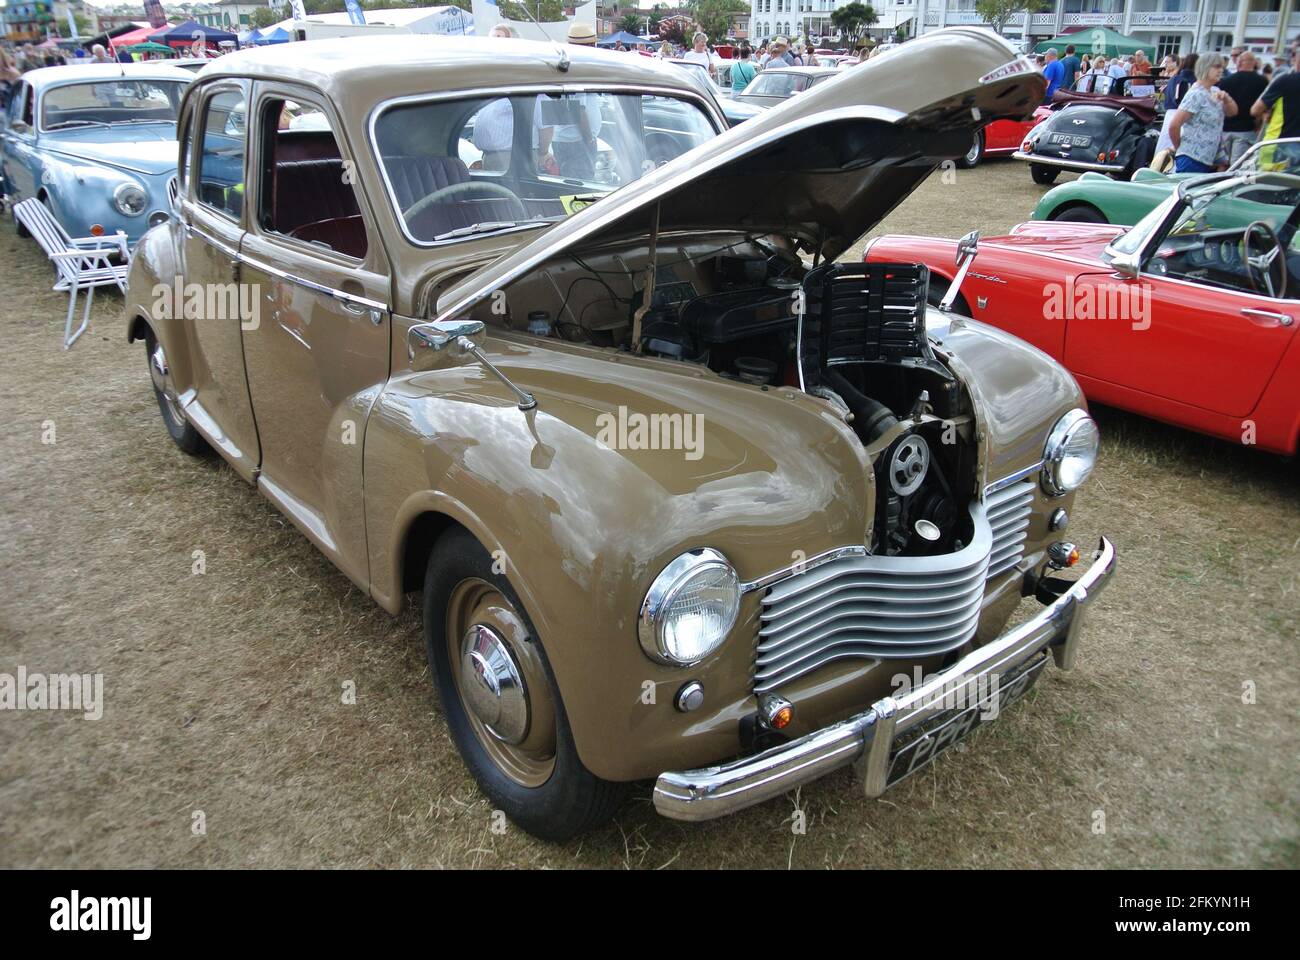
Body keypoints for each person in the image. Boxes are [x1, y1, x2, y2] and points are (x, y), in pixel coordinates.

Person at [551, 24, 604, 180]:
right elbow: (580, 111)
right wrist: (588, 138)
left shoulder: (563, 66)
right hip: (577, 140)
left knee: (568, 180)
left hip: (562, 137)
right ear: (589, 45)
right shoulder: (577, 69)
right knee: (581, 182)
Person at [1170, 53, 1236, 173]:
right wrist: (1180, 149)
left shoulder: (1215, 91)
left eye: (1222, 67)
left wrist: (1227, 99)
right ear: (1205, 67)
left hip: (1208, 159)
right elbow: (1174, 125)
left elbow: (1232, 112)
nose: (1221, 70)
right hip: (1192, 158)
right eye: (1217, 66)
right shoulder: (1196, 94)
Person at [1219, 51, 1267, 166]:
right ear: (1254, 63)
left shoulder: (1226, 81)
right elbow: (1263, 108)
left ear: (1239, 63)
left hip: (1225, 128)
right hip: (1247, 129)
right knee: (1238, 166)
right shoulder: (1262, 81)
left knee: (1222, 165)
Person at [1253, 44, 1300, 144]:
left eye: (1293, 54)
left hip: (1282, 142)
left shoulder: (1285, 79)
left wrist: (1267, 111)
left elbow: (1255, 110)